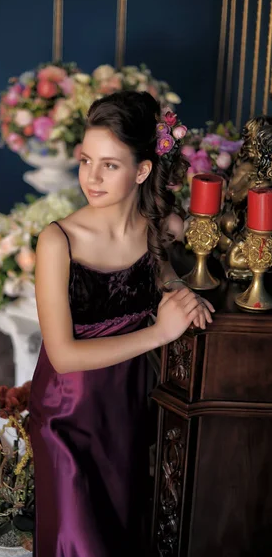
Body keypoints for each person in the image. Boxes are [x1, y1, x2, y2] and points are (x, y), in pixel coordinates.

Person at [29, 90, 214, 556]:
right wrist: (159, 332)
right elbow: (64, 355)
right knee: (79, 544)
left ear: (143, 170)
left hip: (128, 411)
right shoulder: (58, 242)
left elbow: (165, 280)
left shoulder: (155, 229)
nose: (91, 177)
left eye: (109, 165)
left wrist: (184, 295)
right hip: (67, 417)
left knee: (121, 536)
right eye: (86, 160)